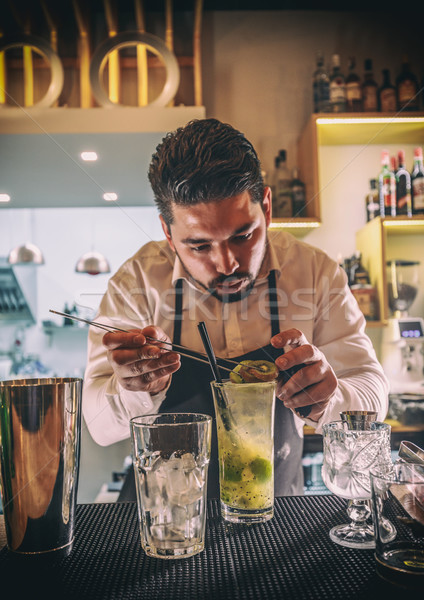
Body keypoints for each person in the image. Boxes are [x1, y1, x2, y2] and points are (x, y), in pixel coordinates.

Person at [82, 118, 389, 500]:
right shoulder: (136, 284)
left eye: (243, 236)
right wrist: (134, 388)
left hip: (277, 517)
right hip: (165, 519)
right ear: (167, 231)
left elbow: (373, 397)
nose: (227, 263)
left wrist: (331, 397)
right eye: (199, 246)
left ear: (267, 208)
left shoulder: (315, 272)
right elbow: (98, 426)